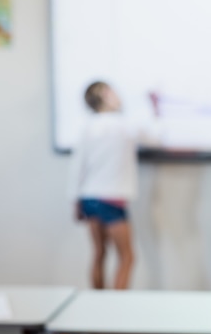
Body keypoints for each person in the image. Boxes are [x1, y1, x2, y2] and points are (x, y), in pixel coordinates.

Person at [68, 80, 160, 290]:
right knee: (127, 257)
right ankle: (115, 309)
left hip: (88, 198)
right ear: (105, 96)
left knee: (99, 253)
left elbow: (77, 167)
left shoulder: (87, 128)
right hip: (112, 198)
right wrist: (155, 108)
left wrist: (75, 201)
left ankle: (97, 303)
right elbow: (155, 138)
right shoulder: (125, 125)